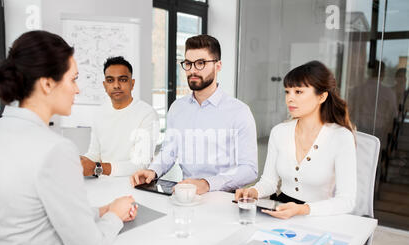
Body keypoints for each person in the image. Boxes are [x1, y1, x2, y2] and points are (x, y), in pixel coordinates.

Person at [0, 30, 149, 245]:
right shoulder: (55, 148)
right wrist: (115, 213)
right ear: (47, 84)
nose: (77, 89)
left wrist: (99, 210)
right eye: (73, 79)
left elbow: (33, 212)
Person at [131, 35, 258, 194]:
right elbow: (169, 151)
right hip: (186, 196)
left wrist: (207, 184)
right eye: (188, 64)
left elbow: (249, 169)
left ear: (218, 66)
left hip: (224, 199)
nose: (192, 70)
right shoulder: (177, 108)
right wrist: (153, 171)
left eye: (200, 63)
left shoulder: (239, 112)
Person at [235, 60, 357, 219]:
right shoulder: (279, 132)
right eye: (287, 92)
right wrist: (253, 192)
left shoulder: (341, 137)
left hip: (319, 216)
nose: (289, 99)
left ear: (321, 96)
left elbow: (346, 201)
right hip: (279, 212)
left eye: (298, 92)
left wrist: (302, 209)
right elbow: (269, 183)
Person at [80, 56, 159, 177]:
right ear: (105, 85)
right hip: (101, 184)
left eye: (122, 80)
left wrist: (98, 168)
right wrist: (80, 162)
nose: (116, 85)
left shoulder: (147, 114)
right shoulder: (99, 113)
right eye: (110, 80)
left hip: (133, 186)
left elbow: (140, 164)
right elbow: (94, 154)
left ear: (132, 84)